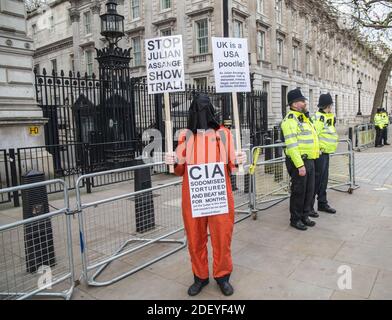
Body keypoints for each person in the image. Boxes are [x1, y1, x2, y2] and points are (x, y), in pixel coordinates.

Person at [164, 93, 246, 297]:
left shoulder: (224, 134)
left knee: (222, 238)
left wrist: (239, 158)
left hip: (219, 196)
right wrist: (173, 159)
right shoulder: (185, 136)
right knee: (195, 239)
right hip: (193, 198)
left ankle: (222, 276)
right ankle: (200, 276)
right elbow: (179, 170)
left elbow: (233, 166)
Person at [280, 88, 319, 231]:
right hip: (299, 162)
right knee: (299, 191)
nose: (305, 103)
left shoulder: (304, 118)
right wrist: (299, 165)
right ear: (295, 104)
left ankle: (304, 215)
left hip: (309, 160)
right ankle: (295, 219)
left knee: (309, 190)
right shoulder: (289, 121)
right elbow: (292, 145)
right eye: (302, 101)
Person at [311, 93, 339, 216]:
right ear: (327, 105)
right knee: (316, 180)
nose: (331, 108)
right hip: (320, 153)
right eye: (330, 105)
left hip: (326, 153)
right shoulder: (318, 118)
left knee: (323, 180)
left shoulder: (328, 117)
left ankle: (322, 203)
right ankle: (310, 207)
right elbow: (314, 135)